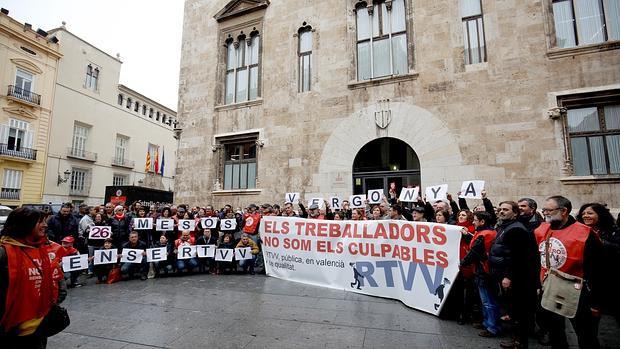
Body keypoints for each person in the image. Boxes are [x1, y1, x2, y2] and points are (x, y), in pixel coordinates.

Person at [535, 196, 603, 349]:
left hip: (578, 292)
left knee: (586, 335)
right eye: (544, 210)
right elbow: (536, 258)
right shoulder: (541, 229)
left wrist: (596, 302)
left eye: (549, 210)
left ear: (564, 211)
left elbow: (598, 269)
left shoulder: (585, 233)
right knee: (555, 332)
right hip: (549, 288)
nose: (545, 213)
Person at [0, 207, 56, 347]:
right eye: (40, 221)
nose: (45, 225)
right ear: (25, 224)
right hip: (11, 329)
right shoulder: (4, 252)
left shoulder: (41, 249)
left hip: (38, 327)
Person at [488, 201, 540, 348]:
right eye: (500, 209)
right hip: (504, 273)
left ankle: (520, 341)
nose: (501, 212)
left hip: (514, 277)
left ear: (515, 213)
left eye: (506, 209)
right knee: (513, 308)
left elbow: (518, 257)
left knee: (519, 310)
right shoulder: (506, 227)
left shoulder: (516, 230)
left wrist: (508, 276)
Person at [577, 203, 620, 322]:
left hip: (609, 278)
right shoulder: (579, 231)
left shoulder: (613, 231)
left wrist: (599, 241)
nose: (586, 216)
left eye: (590, 213)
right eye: (583, 213)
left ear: (600, 215)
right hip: (587, 280)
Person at [461, 211, 500, 337]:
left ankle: (492, 327)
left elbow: (475, 252)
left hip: (484, 272)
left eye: (475, 220)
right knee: (488, 300)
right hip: (486, 270)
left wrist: (462, 263)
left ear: (482, 222)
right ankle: (487, 322)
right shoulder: (489, 233)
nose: (473, 222)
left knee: (488, 301)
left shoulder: (483, 234)